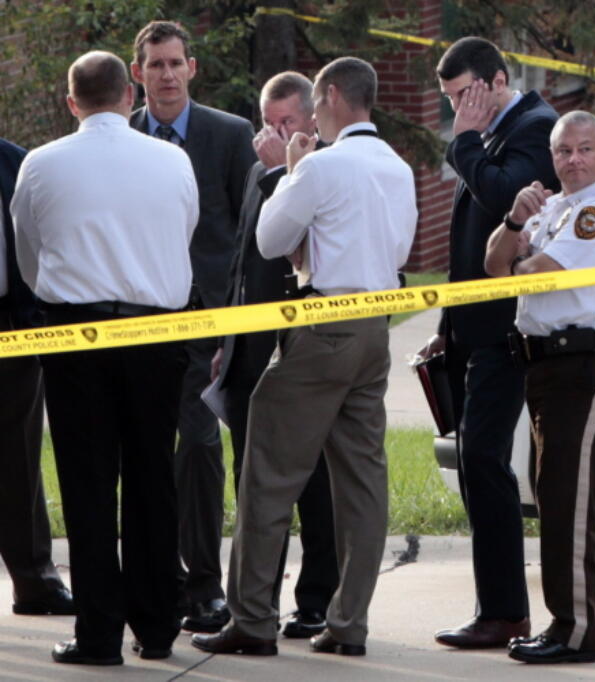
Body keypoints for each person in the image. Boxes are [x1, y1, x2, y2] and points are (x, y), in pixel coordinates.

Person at [192, 56, 417, 658]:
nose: (314, 116)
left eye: (317, 104)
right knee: (363, 483)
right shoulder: (397, 168)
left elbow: (269, 239)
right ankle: (349, 624)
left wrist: (288, 172)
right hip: (375, 326)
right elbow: (398, 247)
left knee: (267, 474)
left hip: (322, 326)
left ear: (335, 96)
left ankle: (252, 619)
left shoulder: (320, 166)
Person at [11, 50, 197, 665]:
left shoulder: (40, 164)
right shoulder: (173, 158)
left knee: (88, 484)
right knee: (152, 479)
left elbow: (29, 254)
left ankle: (98, 635)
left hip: (75, 337)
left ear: (72, 103)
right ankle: (159, 626)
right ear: (130, 95)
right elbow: (184, 230)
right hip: (156, 334)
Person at [484, 110, 595, 664]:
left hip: (586, 366)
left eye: (584, 149)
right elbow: (494, 264)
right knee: (570, 498)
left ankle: (572, 629)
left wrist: (525, 257)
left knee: (566, 502)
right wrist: (512, 220)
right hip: (547, 368)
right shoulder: (555, 208)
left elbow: (535, 273)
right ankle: (575, 621)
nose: (573, 161)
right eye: (563, 152)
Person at [425, 36, 559, 650]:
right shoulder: (490, 135)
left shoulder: (536, 128)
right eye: (451, 100)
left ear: (496, 80)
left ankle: (506, 612)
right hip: (474, 328)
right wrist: (447, 325)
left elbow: (508, 202)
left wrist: (466, 141)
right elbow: (469, 239)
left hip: (511, 330)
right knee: (478, 463)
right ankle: (496, 607)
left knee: (485, 460)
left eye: (464, 96)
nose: (458, 111)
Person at [129, 19, 256, 634]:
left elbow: (247, 238)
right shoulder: (119, 136)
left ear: (193, 68)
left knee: (202, 447)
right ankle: (156, 581)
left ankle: (205, 587)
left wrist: (233, 322)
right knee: (144, 452)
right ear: (137, 74)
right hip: (139, 320)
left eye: (176, 63)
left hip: (211, 323)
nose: (167, 74)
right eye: (155, 64)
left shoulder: (229, 136)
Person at [211, 71, 339, 640]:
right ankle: (255, 599)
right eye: (269, 122)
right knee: (253, 483)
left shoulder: (323, 169)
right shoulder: (264, 169)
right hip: (248, 344)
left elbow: (295, 246)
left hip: (298, 345)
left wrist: (279, 172)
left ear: (312, 119)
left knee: (311, 480)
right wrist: (227, 341)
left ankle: (316, 599)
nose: (276, 132)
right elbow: (244, 255)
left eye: (287, 122)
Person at [0, 137, 75, 619]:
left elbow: (41, 237)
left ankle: (35, 582)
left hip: (11, 329)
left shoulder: (17, 161)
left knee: (19, 461)